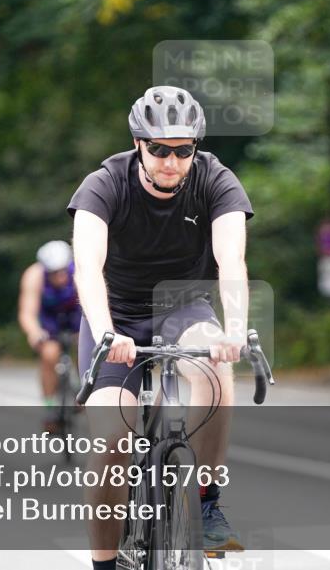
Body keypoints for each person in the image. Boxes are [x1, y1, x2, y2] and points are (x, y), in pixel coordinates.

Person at [68, 86, 254, 568]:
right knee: (112, 442)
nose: (172, 161)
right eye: (159, 149)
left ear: (195, 148)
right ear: (138, 145)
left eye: (183, 150)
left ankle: (207, 503)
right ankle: (104, 564)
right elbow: (87, 268)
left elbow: (231, 260)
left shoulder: (216, 179)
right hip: (117, 315)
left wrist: (235, 330)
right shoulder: (104, 184)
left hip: (183, 307)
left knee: (216, 372)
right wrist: (107, 332)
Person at [17, 239, 82, 430]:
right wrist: (34, 332)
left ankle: (83, 390)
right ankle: (50, 406)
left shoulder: (79, 271)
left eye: (63, 271)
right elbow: (27, 312)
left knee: (85, 348)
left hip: (77, 314)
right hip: (50, 319)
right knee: (49, 354)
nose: (60, 277)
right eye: (54, 273)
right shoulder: (34, 275)